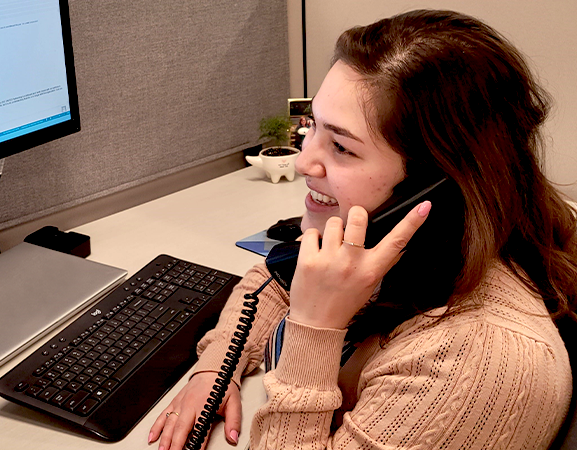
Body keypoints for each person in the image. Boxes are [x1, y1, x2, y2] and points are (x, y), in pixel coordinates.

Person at [148, 9, 577, 450]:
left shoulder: (475, 365)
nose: (303, 162)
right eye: (312, 126)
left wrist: (315, 327)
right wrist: (216, 369)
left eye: (340, 146)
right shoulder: (404, 243)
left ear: (435, 184)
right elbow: (275, 281)